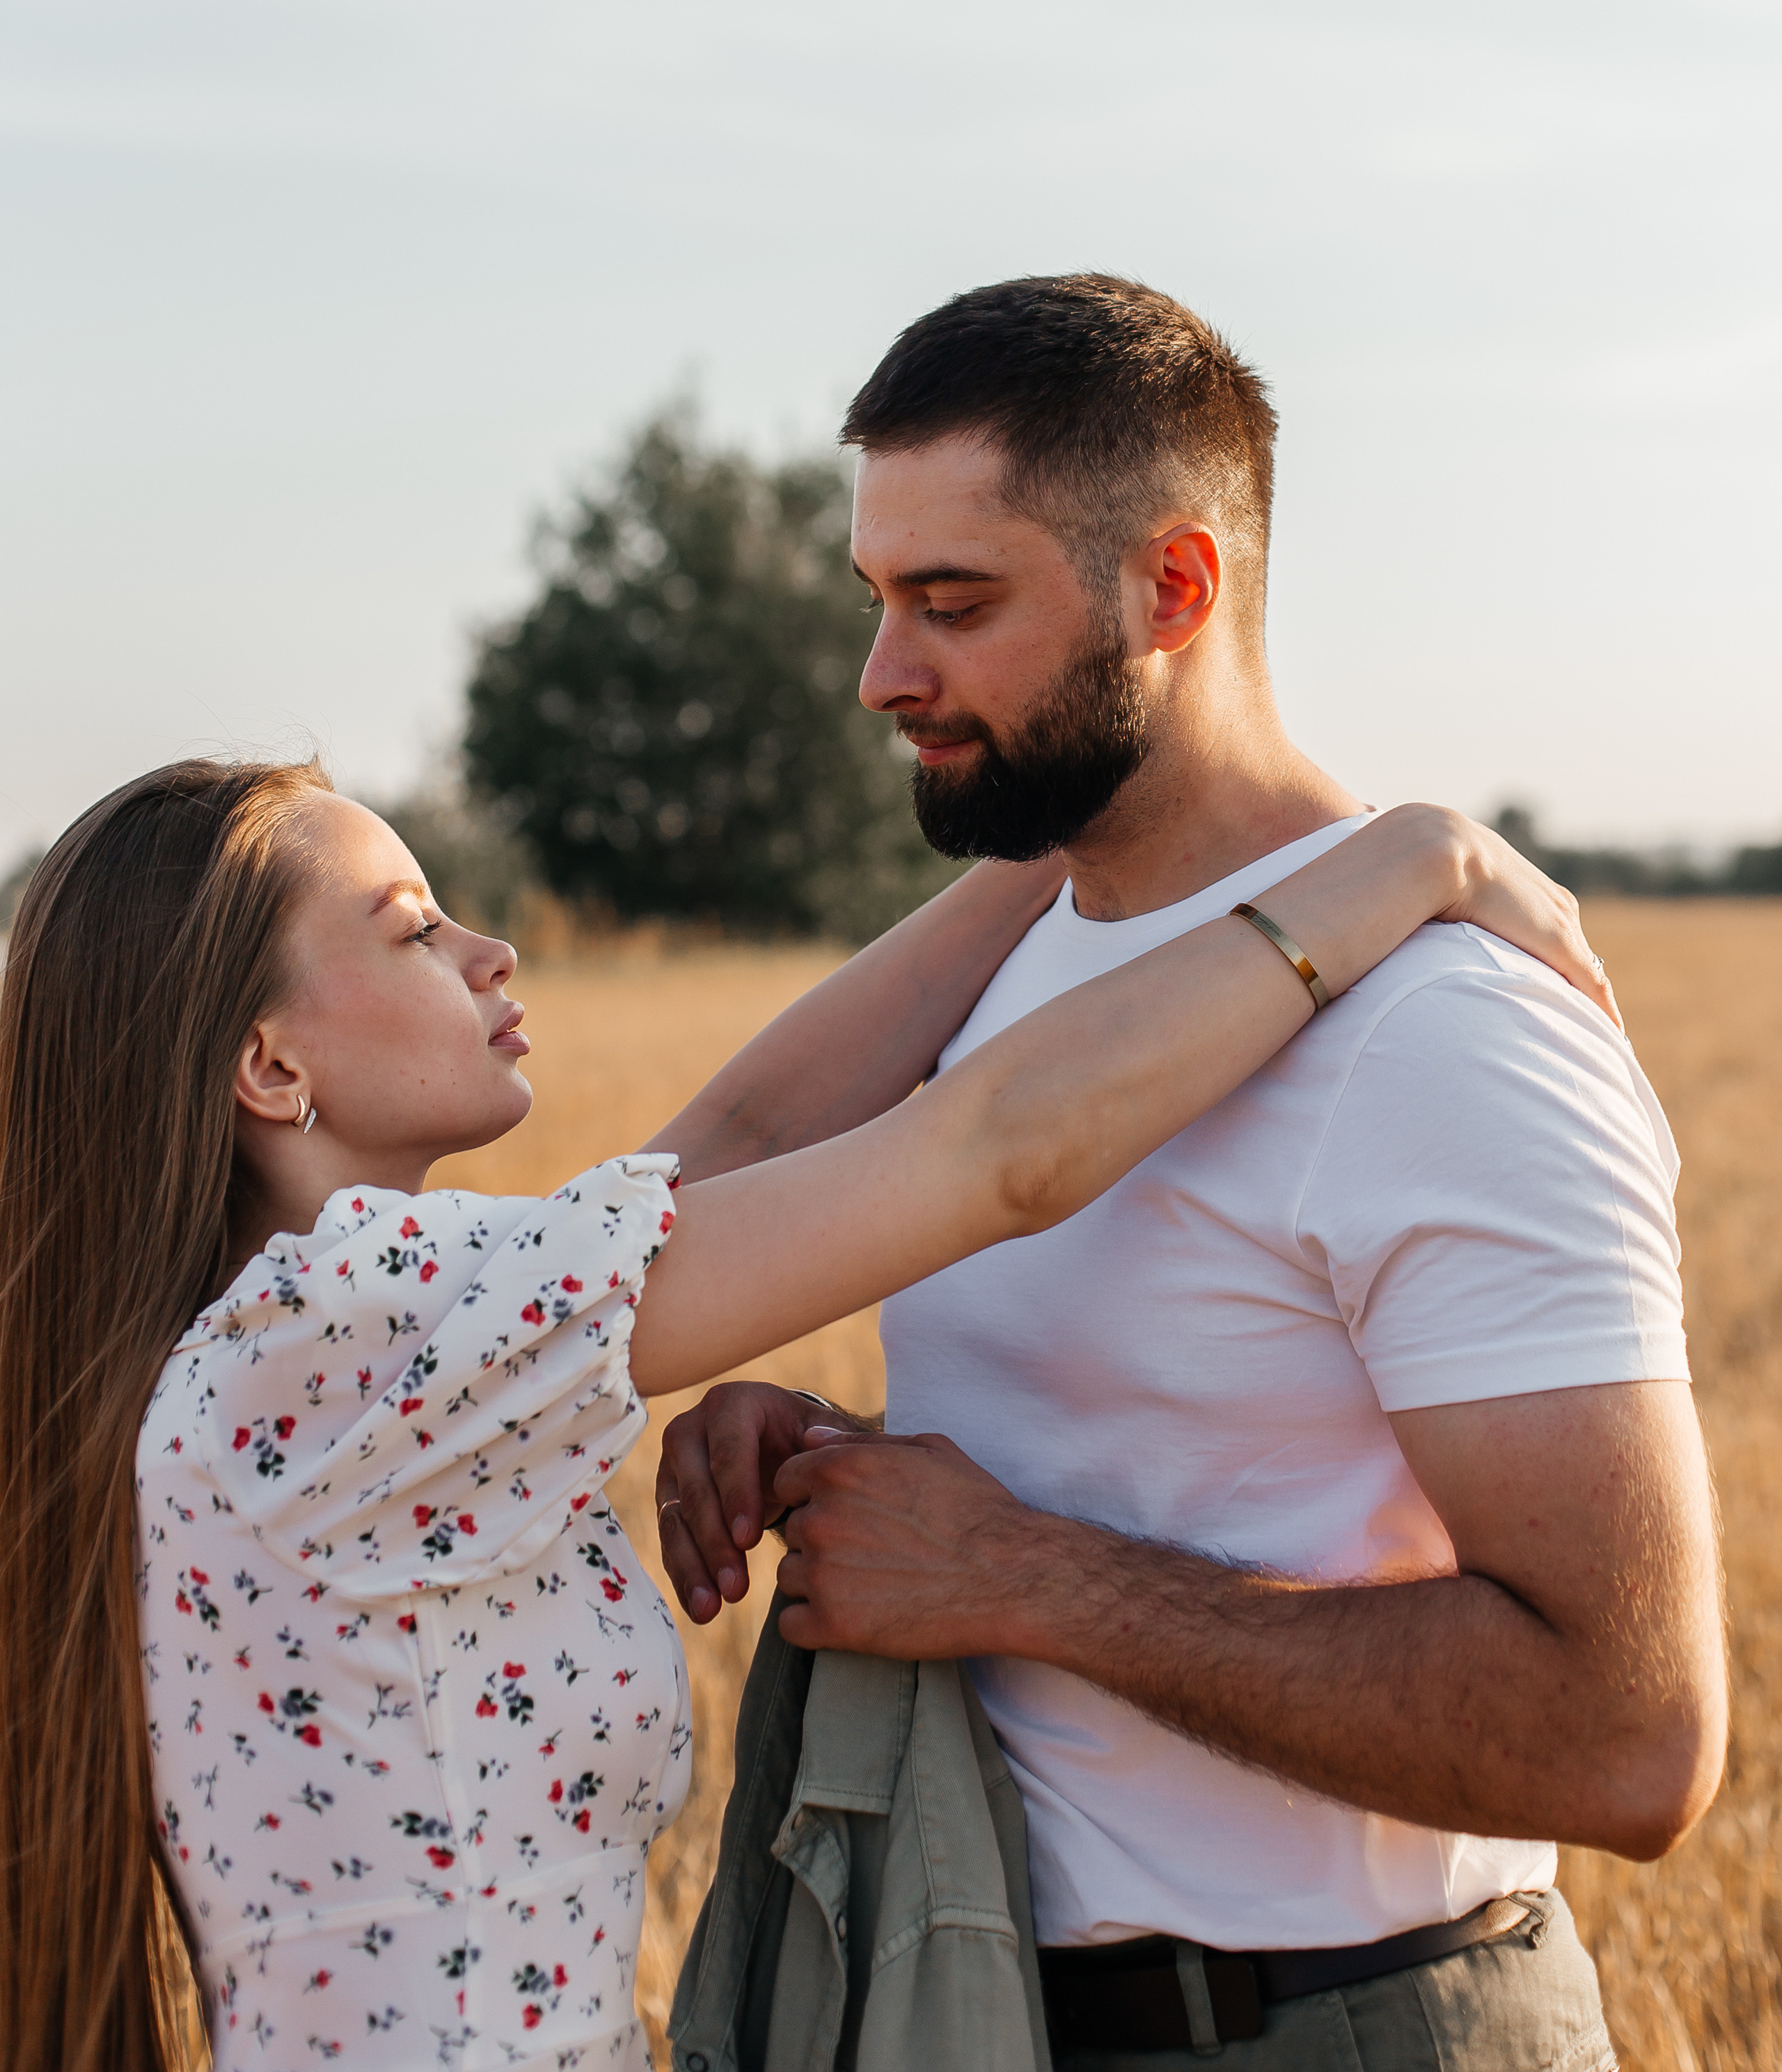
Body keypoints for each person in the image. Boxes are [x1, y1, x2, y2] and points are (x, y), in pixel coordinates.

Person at [0, 757, 1593, 2072]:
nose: (489, 950)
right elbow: (992, 1152)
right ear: (270, 1067)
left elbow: (748, 1133)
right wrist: (1407, 863)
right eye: (415, 930)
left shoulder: (331, 1355)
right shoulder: (349, 1330)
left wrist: (1077, 819)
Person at [654, 276, 1727, 2069]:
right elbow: (730, 1172)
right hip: (993, 2009)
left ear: (1174, 589)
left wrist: (1023, 1574)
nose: (879, 673)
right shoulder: (1017, 965)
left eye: (953, 604)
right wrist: (845, 1472)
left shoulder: (1441, 1034)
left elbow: (1626, 1736)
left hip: (1342, 2026)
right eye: (877, 600)